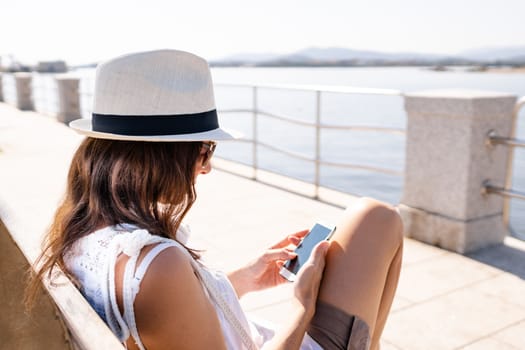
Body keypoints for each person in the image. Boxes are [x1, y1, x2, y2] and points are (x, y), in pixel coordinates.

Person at [28, 50, 403, 350]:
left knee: (372, 219)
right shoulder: (156, 263)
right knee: (379, 218)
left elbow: (172, 322)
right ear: (166, 156)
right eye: (205, 149)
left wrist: (246, 278)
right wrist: (301, 306)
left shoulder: (82, 232)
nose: (206, 168)